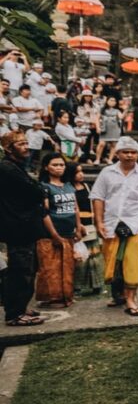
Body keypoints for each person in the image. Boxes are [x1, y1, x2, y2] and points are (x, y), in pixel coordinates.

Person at [90, 136, 138, 315]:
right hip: (111, 224)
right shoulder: (107, 173)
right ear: (117, 153)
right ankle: (117, 295)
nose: (129, 156)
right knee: (113, 263)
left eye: (133, 152)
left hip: (136, 224)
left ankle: (130, 298)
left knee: (132, 262)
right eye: (125, 152)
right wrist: (99, 222)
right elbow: (98, 197)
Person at [0, 131, 48, 326]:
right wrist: (40, 191)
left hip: (24, 226)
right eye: (20, 144)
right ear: (8, 149)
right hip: (16, 227)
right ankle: (14, 314)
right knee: (20, 270)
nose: (26, 147)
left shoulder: (16, 167)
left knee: (27, 269)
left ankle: (21, 307)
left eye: (26, 143)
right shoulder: (7, 168)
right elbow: (34, 191)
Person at [35, 153, 82, 308]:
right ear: (46, 167)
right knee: (51, 268)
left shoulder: (69, 185)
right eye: (55, 165)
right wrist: (54, 234)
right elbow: (44, 213)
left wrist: (78, 227)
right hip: (51, 234)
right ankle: (52, 298)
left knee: (68, 266)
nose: (59, 168)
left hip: (69, 232)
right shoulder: (44, 187)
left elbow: (75, 208)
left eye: (62, 165)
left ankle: (66, 295)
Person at [65, 161, 104, 296]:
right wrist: (77, 225)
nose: (81, 174)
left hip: (90, 225)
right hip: (77, 226)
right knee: (81, 258)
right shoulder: (67, 188)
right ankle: (78, 286)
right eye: (77, 172)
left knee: (95, 257)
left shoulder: (87, 186)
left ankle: (96, 284)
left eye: (82, 171)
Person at [96, 96, 123, 164]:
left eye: (114, 101)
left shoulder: (117, 110)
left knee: (113, 144)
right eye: (111, 100)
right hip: (104, 127)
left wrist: (125, 110)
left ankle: (110, 159)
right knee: (101, 144)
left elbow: (121, 117)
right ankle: (97, 159)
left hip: (114, 128)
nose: (112, 102)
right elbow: (97, 118)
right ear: (107, 101)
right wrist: (98, 127)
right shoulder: (102, 109)